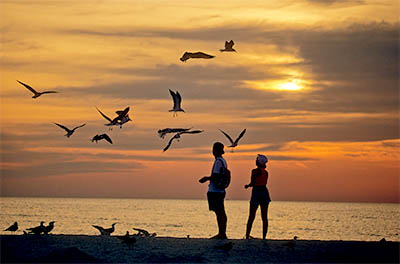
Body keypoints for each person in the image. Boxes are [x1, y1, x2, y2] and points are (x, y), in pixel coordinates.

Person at [199, 142, 228, 239]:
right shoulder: (223, 161)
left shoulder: (218, 162)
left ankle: (221, 233)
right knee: (221, 212)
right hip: (221, 190)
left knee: (219, 212)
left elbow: (215, 176)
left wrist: (206, 178)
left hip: (215, 191)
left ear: (215, 150)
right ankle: (222, 233)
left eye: (214, 149)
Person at [244, 154, 271, 239]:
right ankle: (264, 237)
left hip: (256, 193)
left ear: (259, 162)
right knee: (264, 217)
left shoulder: (254, 171)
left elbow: (253, 183)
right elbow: (263, 182)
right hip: (264, 193)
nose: (255, 161)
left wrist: (247, 186)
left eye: (256, 160)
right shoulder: (266, 172)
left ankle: (247, 235)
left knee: (251, 216)